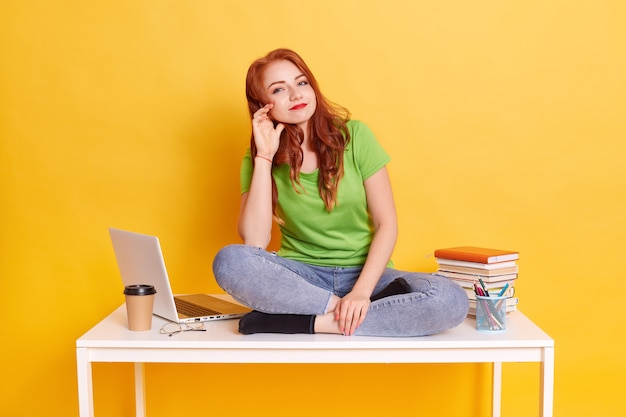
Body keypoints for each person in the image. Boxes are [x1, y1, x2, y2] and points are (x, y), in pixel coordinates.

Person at [212, 48, 468, 337]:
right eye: (279, 89)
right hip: (302, 280)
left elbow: (387, 224)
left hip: (368, 276)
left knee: (450, 300)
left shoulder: (356, 136)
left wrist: (360, 293)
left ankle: (304, 323)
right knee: (229, 261)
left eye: (301, 83)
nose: (296, 95)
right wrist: (265, 157)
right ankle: (346, 315)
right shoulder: (258, 158)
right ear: (263, 104)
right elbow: (254, 242)